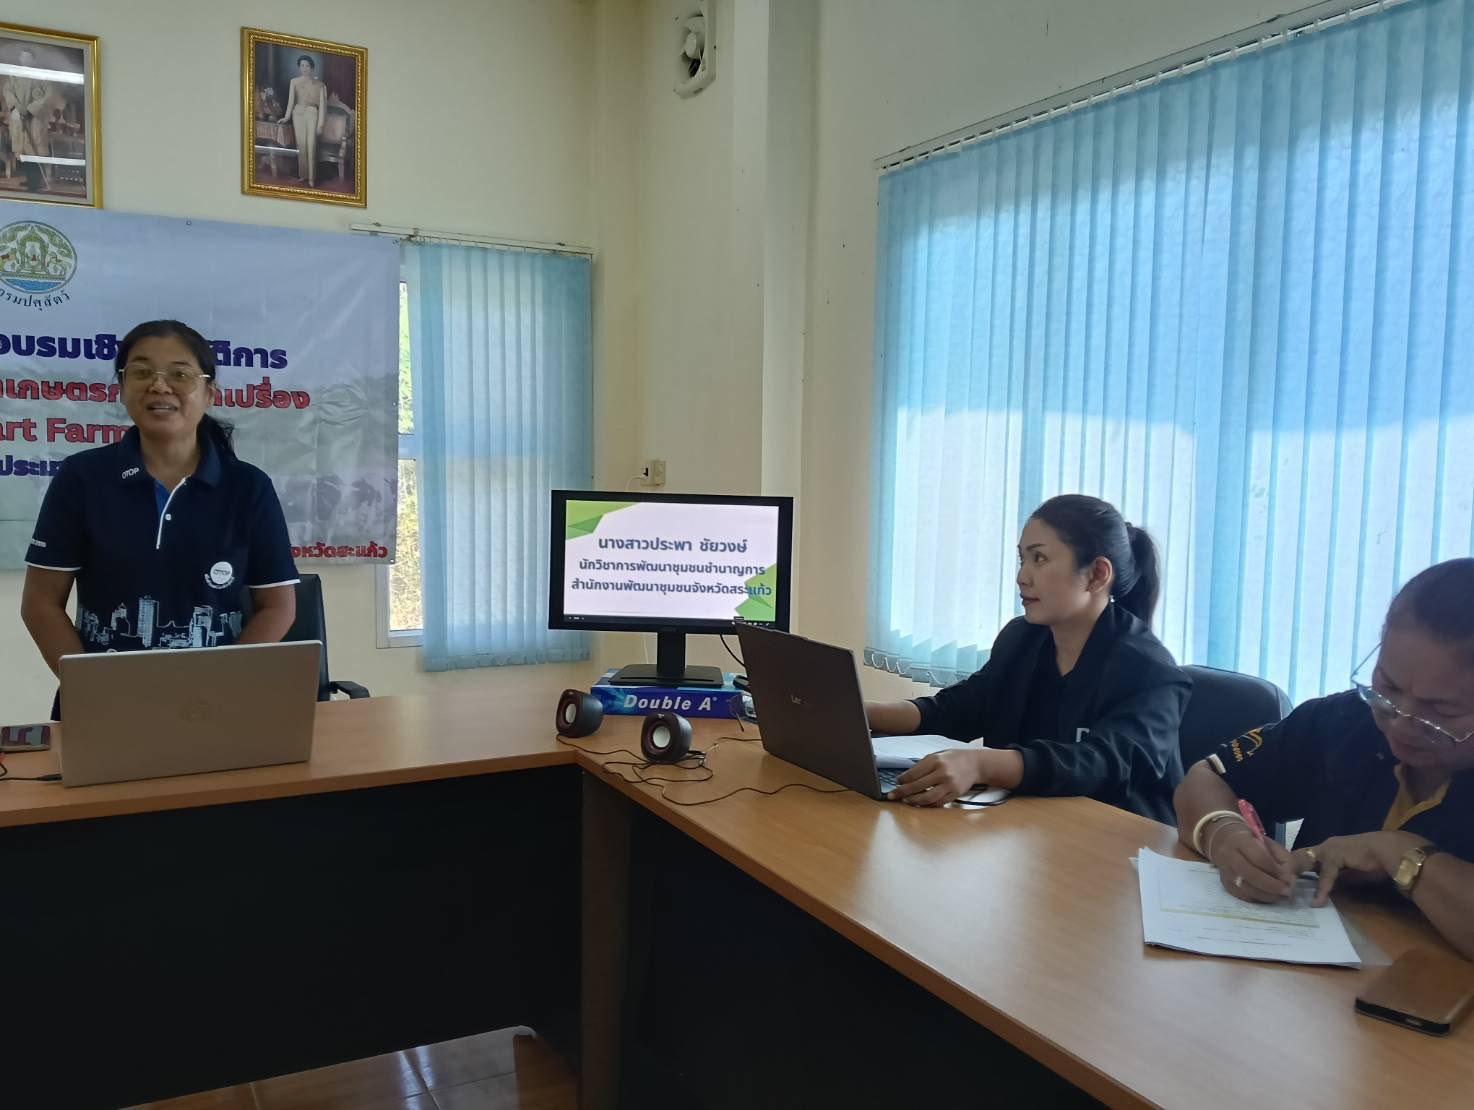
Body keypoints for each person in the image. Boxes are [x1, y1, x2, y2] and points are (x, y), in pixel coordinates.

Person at [1173, 559, 1474, 960]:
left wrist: (1400, 854)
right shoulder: (1346, 722)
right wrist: (1224, 836)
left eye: (1441, 711)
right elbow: (1207, 776)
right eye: (1388, 687)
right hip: (1309, 978)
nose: (1402, 723)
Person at [21, 320, 299, 713]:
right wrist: (91, 690)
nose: (159, 385)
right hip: (102, 704)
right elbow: (40, 603)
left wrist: (222, 688)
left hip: (214, 705)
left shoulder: (248, 487)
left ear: (209, 393)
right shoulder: (81, 478)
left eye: (180, 374)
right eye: (141, 372)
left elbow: (278, 606)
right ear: (122, 387)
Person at [867, 494, 1190, 820]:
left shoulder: (1149, 669)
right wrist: (862, 712)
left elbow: (1104, 765)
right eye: (1022, 559)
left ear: (1096, 575)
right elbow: (956, 711)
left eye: (1040, 559)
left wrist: (981, 763)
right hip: (1032, 827)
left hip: (1118, 837)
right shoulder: (1022, 639)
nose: (1022, 576)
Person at [278, 55, 327, 188]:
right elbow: (291, 101)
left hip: (312, 114)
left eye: (307, 65)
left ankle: (311, 177)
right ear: (299, 67)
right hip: (298, 115)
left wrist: (320, 125)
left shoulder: (320, 85)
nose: (305, 68)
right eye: (302, 65)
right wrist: (286, 117)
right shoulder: (294, 81)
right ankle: (303, 174)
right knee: (301, 146)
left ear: (312, 68)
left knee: (311, 144)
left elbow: (323, 107)